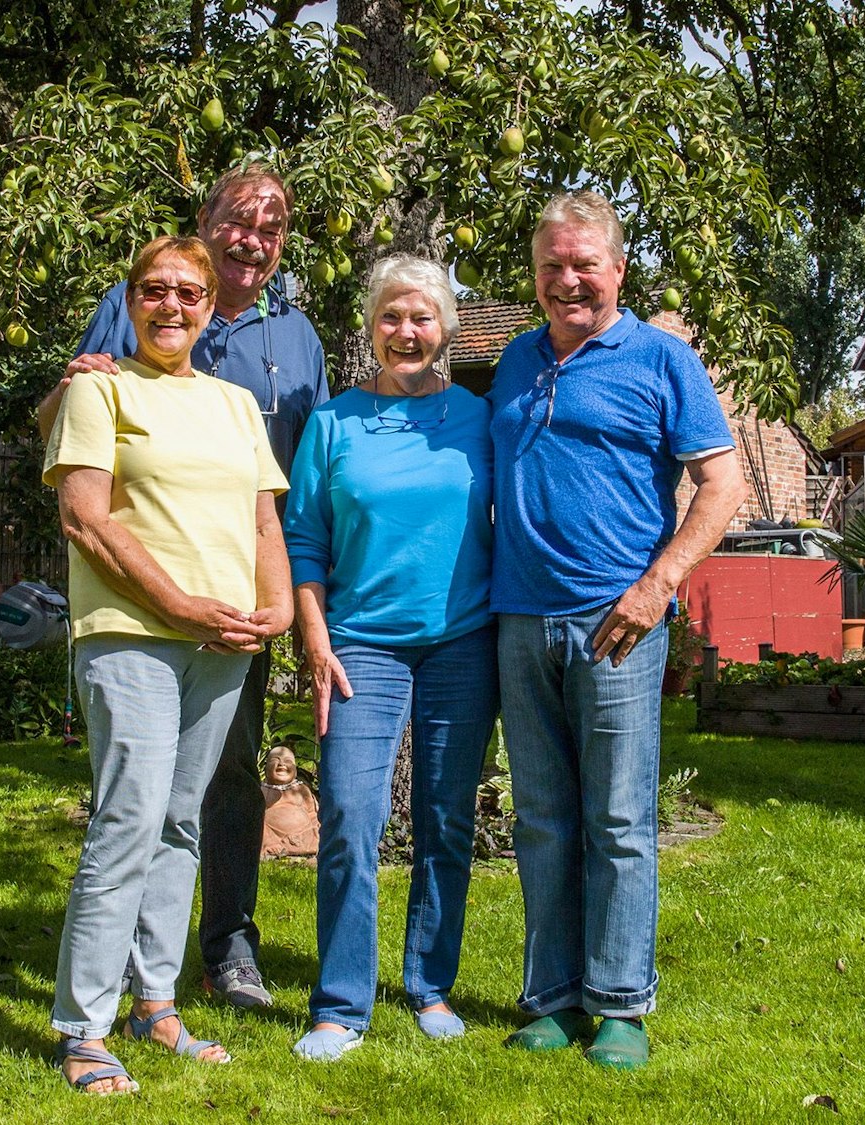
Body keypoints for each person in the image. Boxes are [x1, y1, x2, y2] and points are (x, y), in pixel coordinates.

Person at [40, 164, 328, 1009]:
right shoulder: (139, 306)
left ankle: (220, 951)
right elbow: (69, 442)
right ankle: (98, 1001)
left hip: (236, 611)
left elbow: (283, 495)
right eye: (238, 221)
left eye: (271, 230)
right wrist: (65, 387)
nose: (254, 240)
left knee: (225, 781)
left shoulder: (297, 339)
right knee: (134, 804)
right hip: (139, 604)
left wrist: (289, 602)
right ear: (205, 224)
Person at [487, 191, 749, 1070]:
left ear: (618, 269)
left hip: (619, 625)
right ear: (535, 275)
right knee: (546, 818)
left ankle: (622, 1004)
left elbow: (721, 484)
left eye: (584, 264)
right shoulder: (516, 363)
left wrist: (658, 586)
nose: (568, 280)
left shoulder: (662, 359)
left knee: (621, 817)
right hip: (521, 619)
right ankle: (555, 999)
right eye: (552, 266)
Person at [282, 255, 497, 1062]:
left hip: (462, 642)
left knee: (444, 818)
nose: (408, 332)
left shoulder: (480, 418)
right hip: (359, 646)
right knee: (347, 816)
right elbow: (303, 539)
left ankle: (429, 984)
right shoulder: (333, 423)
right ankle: (340, 1002)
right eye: (392, 317)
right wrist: (313, 634)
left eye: (424, 318)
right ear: (371, 325)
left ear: (446, 327)